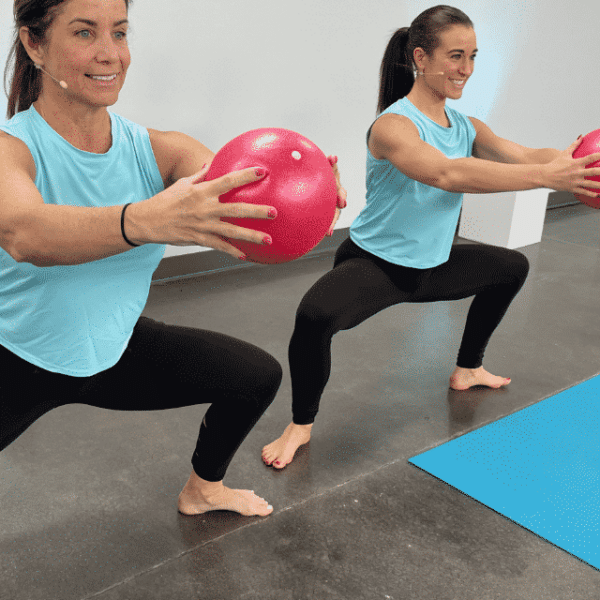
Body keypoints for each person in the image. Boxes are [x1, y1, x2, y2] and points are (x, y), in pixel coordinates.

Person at [0, 0, 345, 517]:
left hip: (112, 348)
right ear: (33, 43)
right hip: (17, 356)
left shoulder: (156, 150)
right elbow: (23, 232)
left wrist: (309, 192)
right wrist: (143, 221)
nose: (109, 53)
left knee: (254, 377)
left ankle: (203, 489)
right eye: (84, 33)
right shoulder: (13, 150)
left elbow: (246, 196)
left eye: (119, 32)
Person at [262, 4, 600, 470]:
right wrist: (547, 177)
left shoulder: (467, 126)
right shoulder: (393, 126)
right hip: (376, 264)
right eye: (456, 56)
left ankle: (468, 368)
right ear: (420, 58)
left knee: (511, 269)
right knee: (315, 316)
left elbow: (521, 153)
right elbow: (445, 173)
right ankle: (300, 424)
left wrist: (572, 160)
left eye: (474, 56)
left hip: (432, 266)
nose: (467, 69)